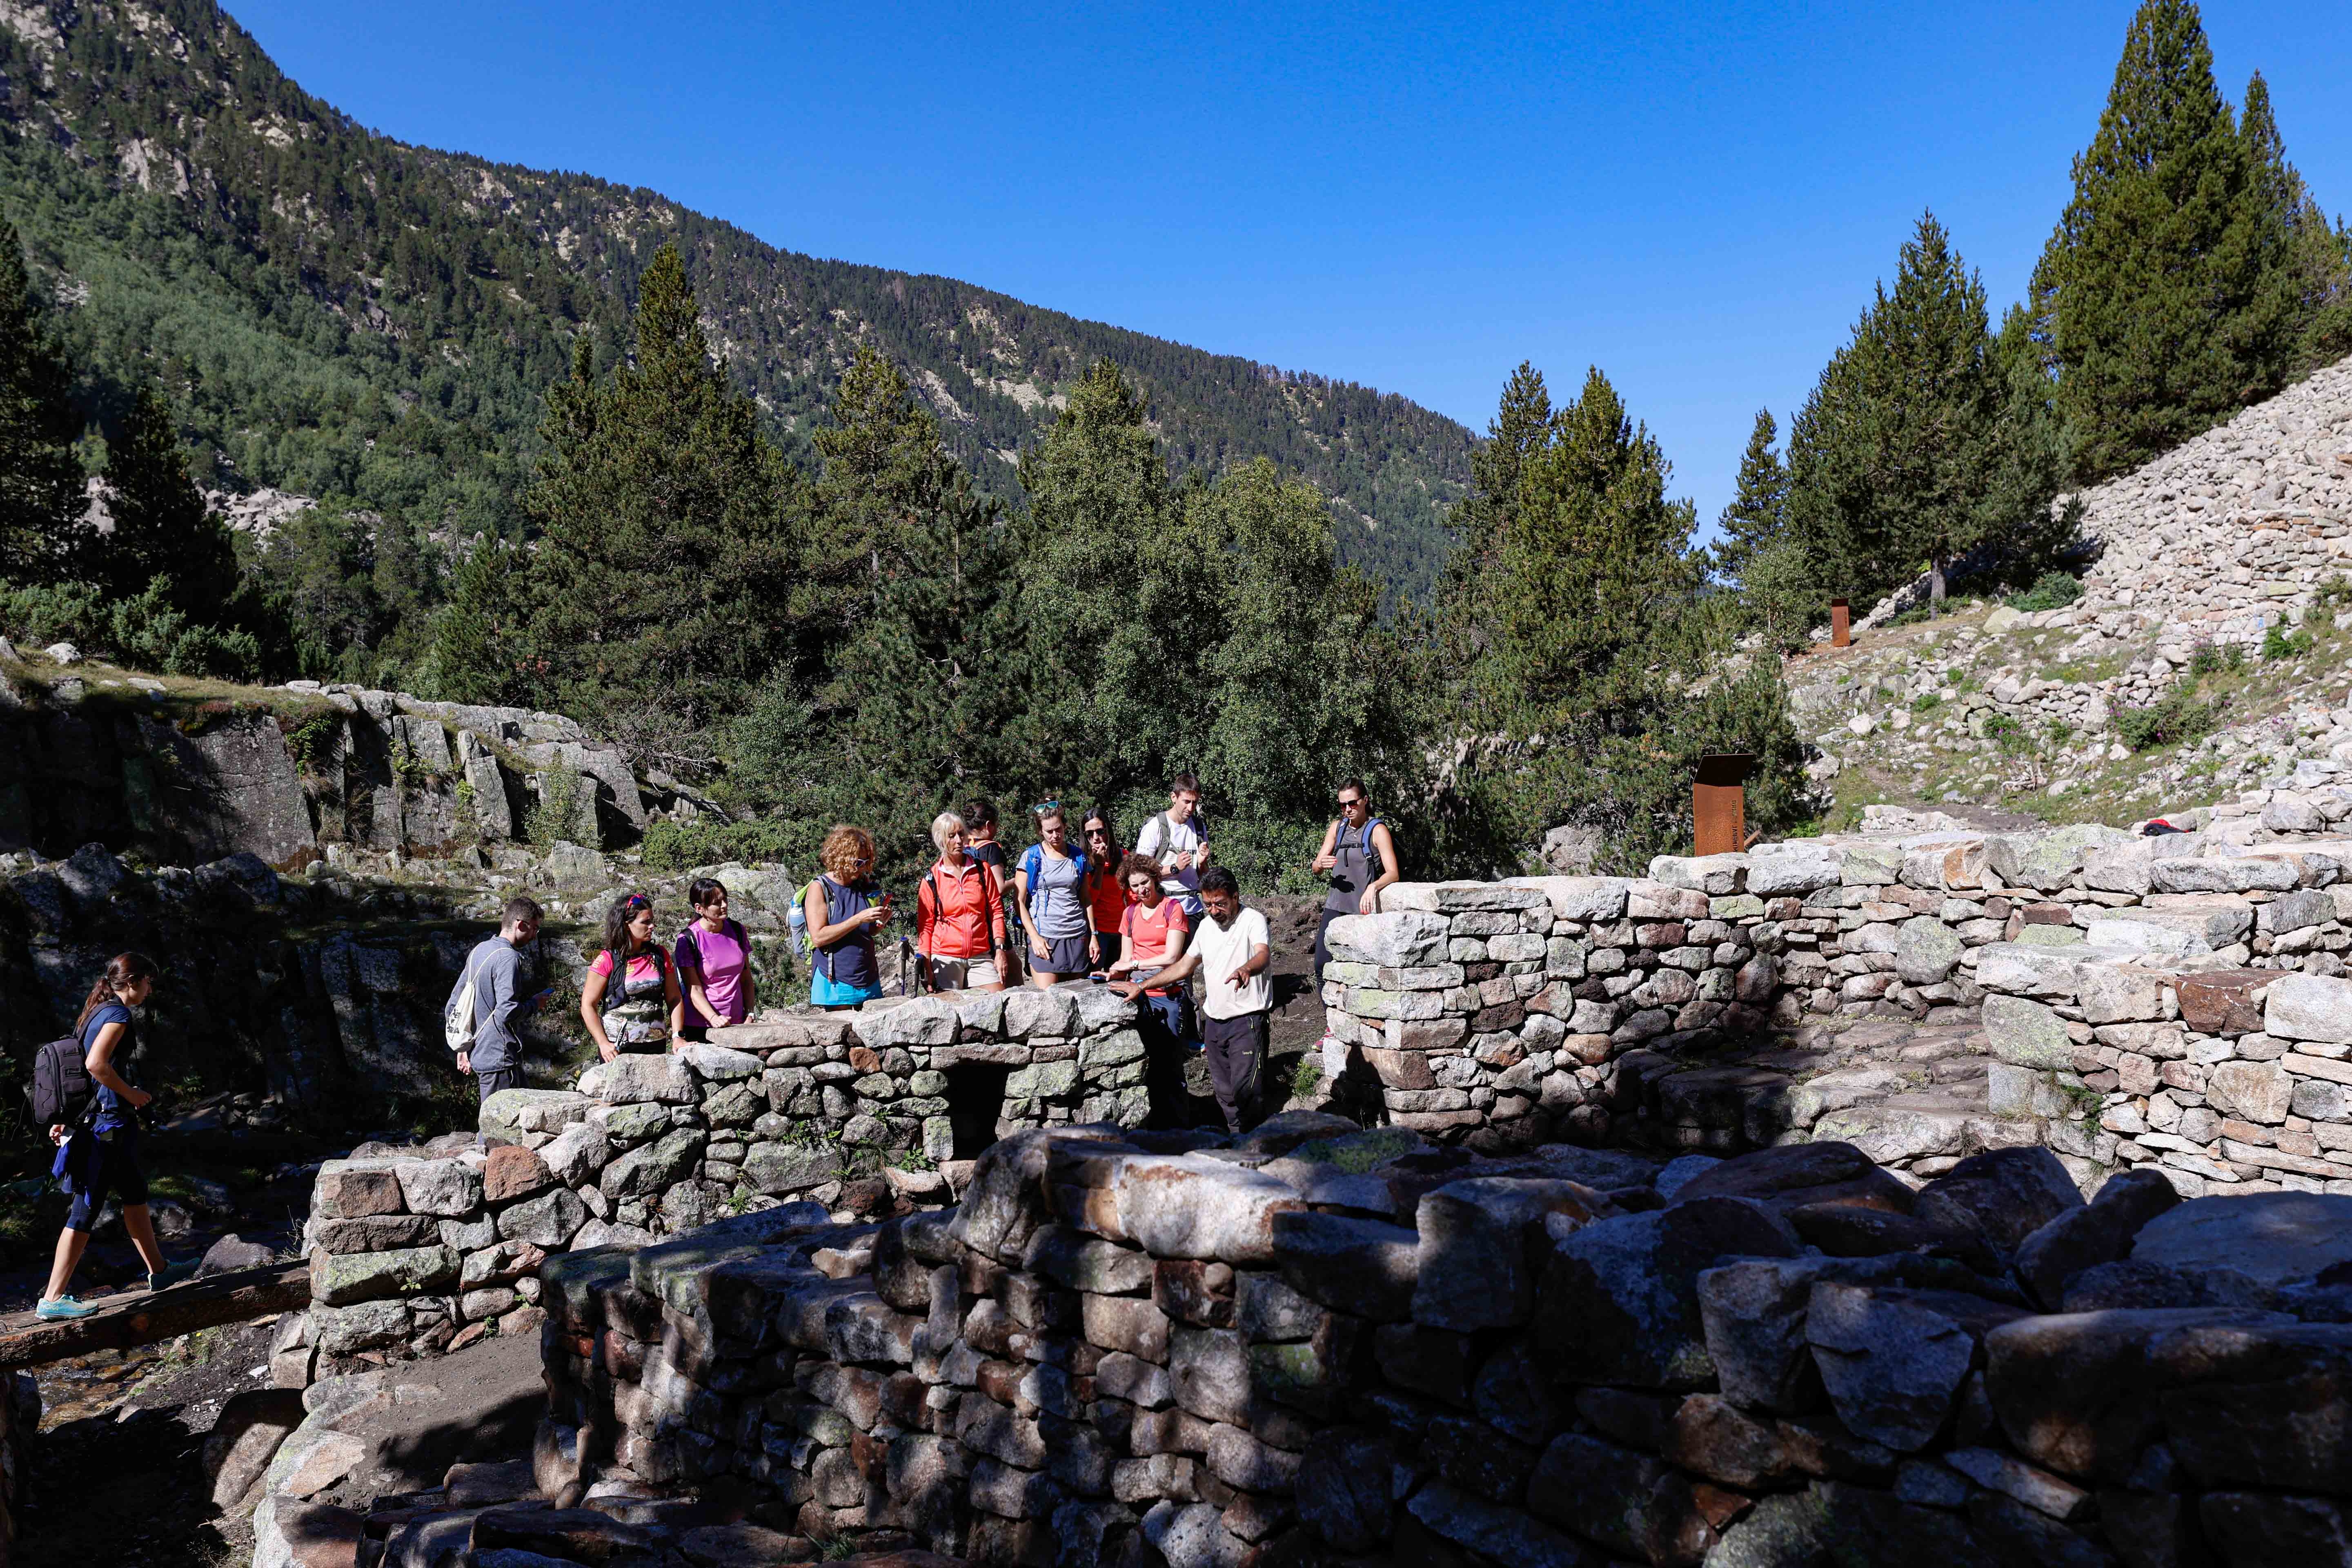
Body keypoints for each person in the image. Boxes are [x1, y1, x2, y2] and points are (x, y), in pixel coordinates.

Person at [38, 953, 194, 1319]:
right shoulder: (118, 1014)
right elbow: (95, 1065)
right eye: (149, 981)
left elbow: (81, 1075)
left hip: (101, 1122)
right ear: (134, 980)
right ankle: (52, 1298)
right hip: (106, 1126)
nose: (151, 988)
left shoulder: (95, 1011)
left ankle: (159, 1270)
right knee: (86, 1207)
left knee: (135, 1191)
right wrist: (132, 1094)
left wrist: (68, 1118)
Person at [1124, 868, 1270, 1133]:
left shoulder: (1253, 920)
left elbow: (1263, 954)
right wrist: (1141, 985)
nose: (1214, 910)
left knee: (1247, 1091)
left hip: (1246, 1021)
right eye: (1208, 904)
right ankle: (1236, 1141)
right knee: (1224, 1093)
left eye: (1220, 903)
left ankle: (1256, 1145)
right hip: (1214, 1023)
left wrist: (1247, 968)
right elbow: (1183, 967)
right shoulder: (1204, 927)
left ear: (1235, 897)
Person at [451, 895, 545, 1107]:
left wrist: (462, 1049)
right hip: (499, 1058)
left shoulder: (479, 951)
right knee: (499, 1127)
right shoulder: (508, 959)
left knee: (522, 1114)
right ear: (521, 925)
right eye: (535, 929)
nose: (535, 936)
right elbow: (507, 1012)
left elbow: (454, 1005)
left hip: (485, 1054)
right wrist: (534, 1005)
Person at [1311, 778, 1400, 976]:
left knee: (1359, 970)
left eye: (1353, 803)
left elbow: (1393, 873)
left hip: (1363, 910)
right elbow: (1316, 867)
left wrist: (1374, 887)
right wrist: (1320, 864)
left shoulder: (1378, 830)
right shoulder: (1337, 828)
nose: (1348, 809)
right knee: (1321, 964)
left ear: (1365, 800)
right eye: (1343, 805)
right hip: (1335, 905)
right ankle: (1329, 1008)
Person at [1106, 851, 1194, 1050]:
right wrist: (1112, 972)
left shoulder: (1172, 908)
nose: (1141, 890)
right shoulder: (1129, 913)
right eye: (1135, 886)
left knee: (1170, 1058)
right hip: (1138, 995)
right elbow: (1125, 959)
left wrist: (1134, 964)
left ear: (1154, 878)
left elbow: (1172, 957)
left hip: (1167, 994)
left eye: (1145, 882)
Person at [581, 892, 685, 1059]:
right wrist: (603, 1043)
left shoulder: (660, 955)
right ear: (626, 925)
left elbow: (674, 999)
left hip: (655, 1046)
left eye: (652, 920)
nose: (652, 926)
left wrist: (678, 1037)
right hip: (617, 1050)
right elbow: (588, 1005)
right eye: (645, 922)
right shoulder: (607, 959)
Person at [915, 811, 1008, 992]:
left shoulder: (982, 870)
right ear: (941, 841)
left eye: (961, 834)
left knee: (998, 1001)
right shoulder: (932, 879)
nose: (959, 841)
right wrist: (927, 966)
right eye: (951, 836)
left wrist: (1000, 950)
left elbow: (996, 910)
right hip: (945, 957)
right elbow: (926, 927)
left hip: (980, 955)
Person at [804, 825, 890, 1010]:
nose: (863, 868)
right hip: (836, 979)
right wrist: (858, 919)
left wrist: (878, 924)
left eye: (866, 862)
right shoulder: (819, 888)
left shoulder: (863, 885)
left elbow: (866, 931)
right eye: (858, 862)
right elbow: (819, 938)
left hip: (868, 977)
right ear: (841, 856)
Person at [1017, 802, 1093, 987]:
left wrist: (1094, 935)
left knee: (1076, 1000)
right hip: (1045, 937)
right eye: (1049, 831)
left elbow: (1086, 899)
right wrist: (1034, 938)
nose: (1055, 835)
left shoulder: (1078, 856)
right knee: (1048, 1003)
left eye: (1058, 829)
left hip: (1076, 936)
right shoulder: (1032, 857)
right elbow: (1019, 901)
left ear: (1065, 826)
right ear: (1040, 832)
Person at [675, 879, 757, 1040]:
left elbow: (746, 979)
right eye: (717, 903)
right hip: (701, 1026)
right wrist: (713, 1018)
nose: (724, 905)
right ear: (699, 909)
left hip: (738, 1022)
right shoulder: (688, 940)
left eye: (725, 899)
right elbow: (694, 990)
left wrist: (750, 1012)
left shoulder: (737, 930)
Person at [1135, 773, 1210, 917]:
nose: (1191, 808)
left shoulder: (1199, 827)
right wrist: (1175, 868)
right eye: (1186, 802)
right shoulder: (1156, 826)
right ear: (1174, 798)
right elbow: (1141, 873)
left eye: (1195, 802)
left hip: (1193, 909)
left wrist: (1202, 864)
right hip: (1163, 908)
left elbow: (1203, 875)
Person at [965, 798, 1019, 983]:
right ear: (988, 825)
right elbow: (999, 887)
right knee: (1013, 971)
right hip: (990, 920)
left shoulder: (962, 848)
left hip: (969, 923)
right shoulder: (991, 848)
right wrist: (1020, 880)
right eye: (996, 825)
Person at [1080, 807, 1129, 971]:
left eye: (1100, 831)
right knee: (1094, 982)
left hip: (1121, 929)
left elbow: (1131, 896)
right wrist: (1100, 866)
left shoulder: (1123, 856)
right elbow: (1090, 899)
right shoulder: (1082, 861)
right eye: (1090, 834)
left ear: (1108, 830)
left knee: (1118, 979)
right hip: (1096, 932)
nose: (1096, 838)